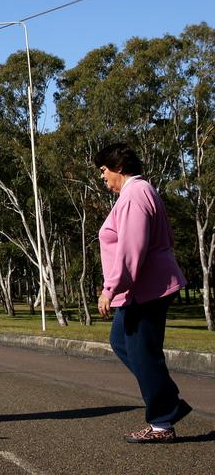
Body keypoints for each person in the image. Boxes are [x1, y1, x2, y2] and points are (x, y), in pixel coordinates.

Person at [94, 142, 192, 443]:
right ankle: (167, 402)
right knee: (122, 341)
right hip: (143, 286)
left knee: (142, 351)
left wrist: (110, 288)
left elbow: (130, 248)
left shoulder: (135, 194)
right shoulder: (138, 192)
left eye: (103, 170)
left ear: (118, 168)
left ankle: (163, 420)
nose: (102, 176)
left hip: (147, 288)